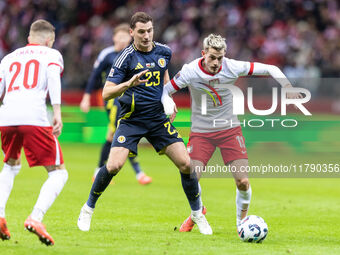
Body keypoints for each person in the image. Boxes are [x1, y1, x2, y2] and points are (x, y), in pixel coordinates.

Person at [77, 12, 212, 235]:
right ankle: (88, 208)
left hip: (158, 119)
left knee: (187, 165)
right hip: (131, 120)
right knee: (113, 166)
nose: (147, 35)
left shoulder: (164, 52)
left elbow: (164, 76)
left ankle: (197, 214)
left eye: (149, 30)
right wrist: (128, 83)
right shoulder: (125, 58)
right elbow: (107, 92)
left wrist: (167, 98)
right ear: (132, 33)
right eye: (141, 31)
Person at [161, 34, 302, 233]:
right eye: (212, 58)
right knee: (192, 177)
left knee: (243, 181)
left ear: (224, 56)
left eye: (220, 58)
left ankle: (240, 224)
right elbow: (165, 91)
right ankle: (197, 212)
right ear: (203, 54)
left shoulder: (233, 66)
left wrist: (287, 86)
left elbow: (271, 68)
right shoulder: (190, 71)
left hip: (229, 129)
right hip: (201, 132)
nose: (216, 63)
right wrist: (170, 104)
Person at [0, 20, 68, 246]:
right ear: (49, 40)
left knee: (10, 165)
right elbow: (53, 79)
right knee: (59, 172)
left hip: (7, 116)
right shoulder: (52, 55)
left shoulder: (8, 58)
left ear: (30, 37)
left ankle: (0, 214)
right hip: (34, 117)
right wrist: (57, 111)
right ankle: (36, 218)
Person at [80, 23, 152, 185]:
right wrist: (86, 97)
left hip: (130, 98)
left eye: (125, 37)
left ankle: (98, 171)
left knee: (112, 135)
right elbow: (95, 76)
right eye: (119, 37)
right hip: (113, 101)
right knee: (123, 131)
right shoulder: (107, 54)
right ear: (113, 38)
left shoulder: (134, 54)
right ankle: (139, 173)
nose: (122, 40)